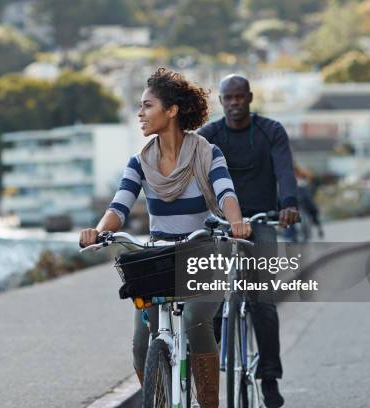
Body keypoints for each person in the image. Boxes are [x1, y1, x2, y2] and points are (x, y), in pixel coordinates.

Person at [79, 67, 251, 408]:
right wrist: (99, 231)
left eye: (147, 106)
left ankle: (208, 404)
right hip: (159, 257)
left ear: (171, 111)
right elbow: (119, 205)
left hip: (203, 250)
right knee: (142, 346)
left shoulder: (207, 153)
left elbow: (226, 193)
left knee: (195, 319)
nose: (140, 114)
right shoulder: (140, 162)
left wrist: (236, 222)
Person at [198, 74, 299, 408]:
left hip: (261, 220)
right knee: (209, 300)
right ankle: (205, 372)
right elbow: (194, 175)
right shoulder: (210, 135)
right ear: (221, 100)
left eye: (239, 97)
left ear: (250, 98)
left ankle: (269, 378)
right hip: (222, 223)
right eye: (228, 98)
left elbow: (284, 170)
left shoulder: (271, 131)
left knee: (263, 302)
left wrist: (288, 204)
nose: (234, 103)